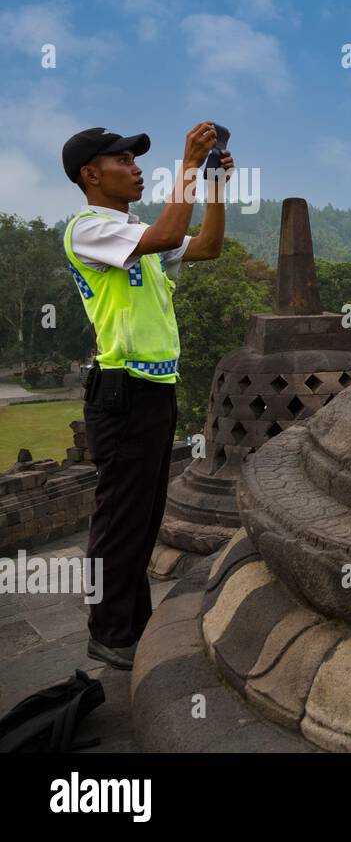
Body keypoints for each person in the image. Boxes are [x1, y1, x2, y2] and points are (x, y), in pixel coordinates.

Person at [62, 122, 231, 670]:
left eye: (137, 160)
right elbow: (163, 237)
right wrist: (186, 162)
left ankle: (130, 625)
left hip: (154, 390)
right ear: (91, 174)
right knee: (120, 519)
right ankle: (110, 632)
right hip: (122, 392)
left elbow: (206, 247)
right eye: (124, 160)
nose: (136, 168)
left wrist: (214, 186)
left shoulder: (134, 232)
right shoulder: (89, 229)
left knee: (143, 514)